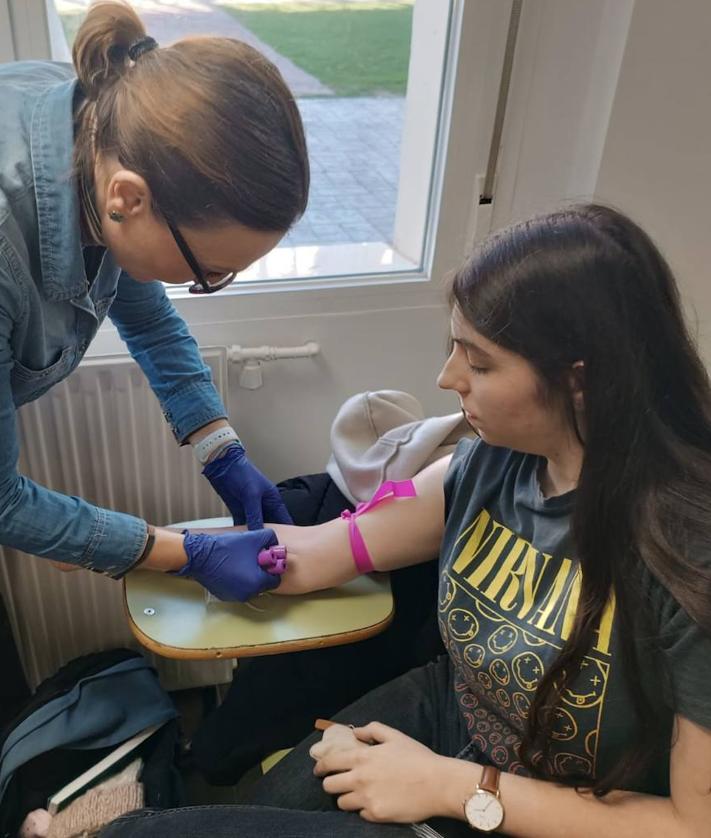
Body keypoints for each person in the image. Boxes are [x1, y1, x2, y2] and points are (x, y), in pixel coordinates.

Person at [101, 204, 711, 837]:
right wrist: (140, 547)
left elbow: (694, 827)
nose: (447, 379)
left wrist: (450, 786)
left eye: (479, 363)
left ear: (578, 380)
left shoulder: (688, 551)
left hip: (571, 811)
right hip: (450, 720)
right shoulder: (485, 464)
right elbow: (318, 552)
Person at [0, 0, 309, 600]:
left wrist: (220, 448)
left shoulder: (107, 123)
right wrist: (182, 554)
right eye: (209, 272)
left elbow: (149, 322)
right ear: (130, 199)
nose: (211, 284)